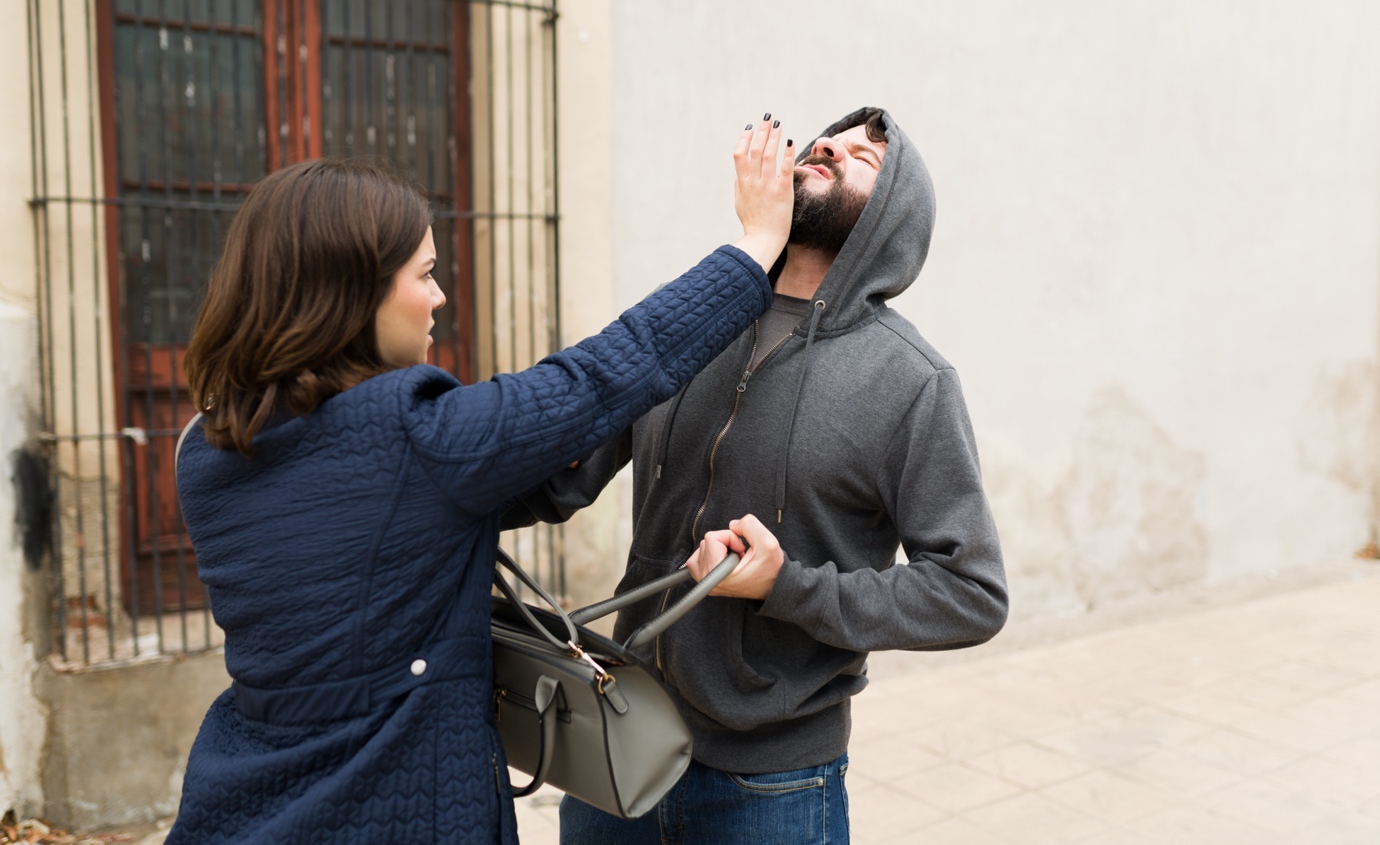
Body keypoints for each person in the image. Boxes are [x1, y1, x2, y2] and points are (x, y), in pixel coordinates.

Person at [163, 115, 795, 845]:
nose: (438, 297)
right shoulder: (415, 439)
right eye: (424, 273)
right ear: (353, 293)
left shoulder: (205, 447)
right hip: (392, 809)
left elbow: (417, 515)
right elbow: (602, 373)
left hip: (242, 801)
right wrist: (758, 244)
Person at [507, 107, 1009, 844]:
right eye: (830, 137)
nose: (829, 144)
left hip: (774, 785)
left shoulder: (911, 381)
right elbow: (564, 476)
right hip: (619, 739)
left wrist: (788, 587)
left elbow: (972, 593)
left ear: (891, 221)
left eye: (866, 156)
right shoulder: (695, 320)